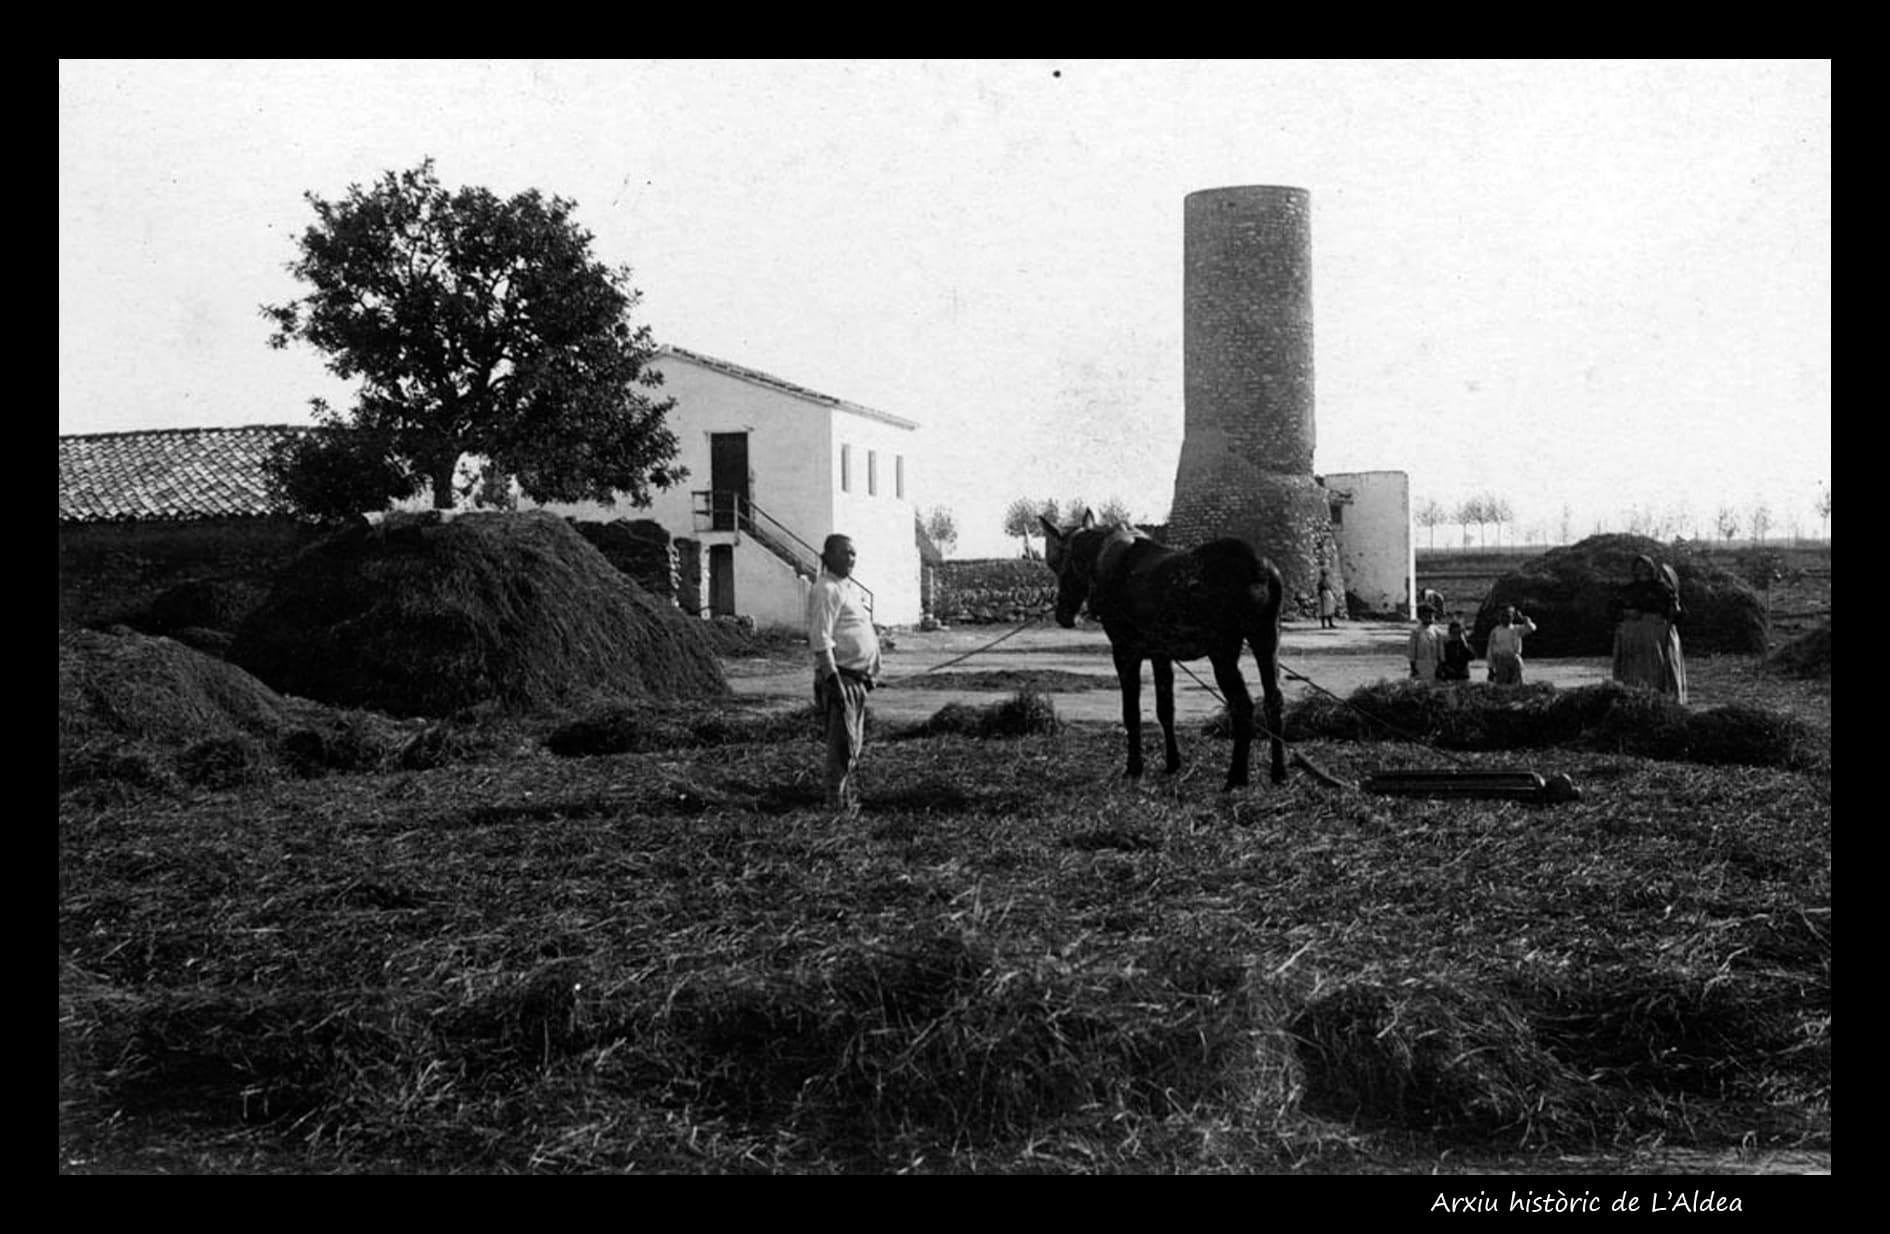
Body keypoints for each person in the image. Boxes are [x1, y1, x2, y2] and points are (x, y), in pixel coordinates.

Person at [806, 533, 882, 814]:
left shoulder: (846, 587)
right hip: (841, 679)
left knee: (852, 744)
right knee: (841, 746)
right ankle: (834, 805)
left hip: (856, 680)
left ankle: (843, 799)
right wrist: (832, 679)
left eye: (853, 554)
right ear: (829, 556)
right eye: (845, 553)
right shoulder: (825, 589)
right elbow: (820, 637)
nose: (851, 559)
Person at [1611, 554, 1688, 704]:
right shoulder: (1627, 590)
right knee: (1634, 678)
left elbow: (1677, 615)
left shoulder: (1663, 590)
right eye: (1638, 568)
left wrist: (1675, 608)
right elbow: (1613, 610)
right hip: (1632, 641)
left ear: (1651, 569)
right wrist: (1626, 613)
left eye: (1645, 568)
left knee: (1659, 674)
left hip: (1657, 639)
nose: (1641, 571)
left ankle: (1664, 700)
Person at [1485, 605, 1538, 685]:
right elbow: (1490, 650)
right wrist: (1490, 668)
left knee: (1516, 686)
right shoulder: (1495, 631)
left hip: (1514, 660)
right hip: (1501, 661)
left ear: (1512, 617)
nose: (1504, 618)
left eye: (1507, 616)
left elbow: (1532, 628)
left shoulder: (1517, 629)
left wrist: (1526, 620)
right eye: (1502, 616)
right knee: (1502, 687)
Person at [1408, 604, 1445, 683]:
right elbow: (1412, 652)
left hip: (1434, 666)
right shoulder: (1416, 632)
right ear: (1421, 617)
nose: (1430, 618)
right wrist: (1414, 669)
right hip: (1420, 666)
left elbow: (1441, 652)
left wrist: (1441, 667)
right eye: (1427, 616)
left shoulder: (1437, 632)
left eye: (1431, 616)